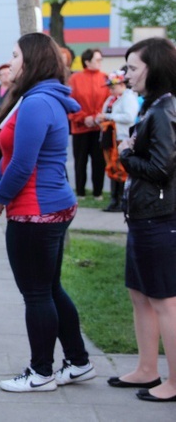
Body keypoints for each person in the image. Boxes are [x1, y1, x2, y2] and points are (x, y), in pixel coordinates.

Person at [0, 32, 96, 393]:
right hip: (48, 205)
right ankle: (78, 362)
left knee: (37, 293)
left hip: (36, 210)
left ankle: (40, 372)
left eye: (15, 55)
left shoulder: (36, 102)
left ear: (31, 61)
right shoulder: (39, 97)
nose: (10, 62)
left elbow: (22, 165)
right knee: (49, 288)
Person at [111, 37, 176, 403]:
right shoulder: (153, 106)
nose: (126, 74)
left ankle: (173, 381)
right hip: (144, 218)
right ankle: (147, 369)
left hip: (160, 219)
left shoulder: (165, 109)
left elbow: (160, 168)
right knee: (140, 295)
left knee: (165, 301)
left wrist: (125, 156)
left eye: (133, 68)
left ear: (155, 69)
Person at [95, 70, 139, 212]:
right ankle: (114, 200)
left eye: (113, 87)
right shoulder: (111, 99)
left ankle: (122, 200)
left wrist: (109, 116)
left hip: (121, 138)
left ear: (121, 85)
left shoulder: (128, 98)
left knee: (121, 169)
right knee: (112, 167)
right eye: (109, 87)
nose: (110, 90)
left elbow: (129, 117)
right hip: (110, 138)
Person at [68, 48, 108, 199]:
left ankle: (98, 192)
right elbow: (70, 102)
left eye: (100, 60)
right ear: (87, 62)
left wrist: (98, 117)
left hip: (99, 127)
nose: (99, 63)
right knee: (80, 161)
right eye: (97, 60)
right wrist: (83, 118)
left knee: (99, 161)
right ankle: (80, 192)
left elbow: (108, 101)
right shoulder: (75, 79)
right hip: (80, 128)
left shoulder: (105, 78)